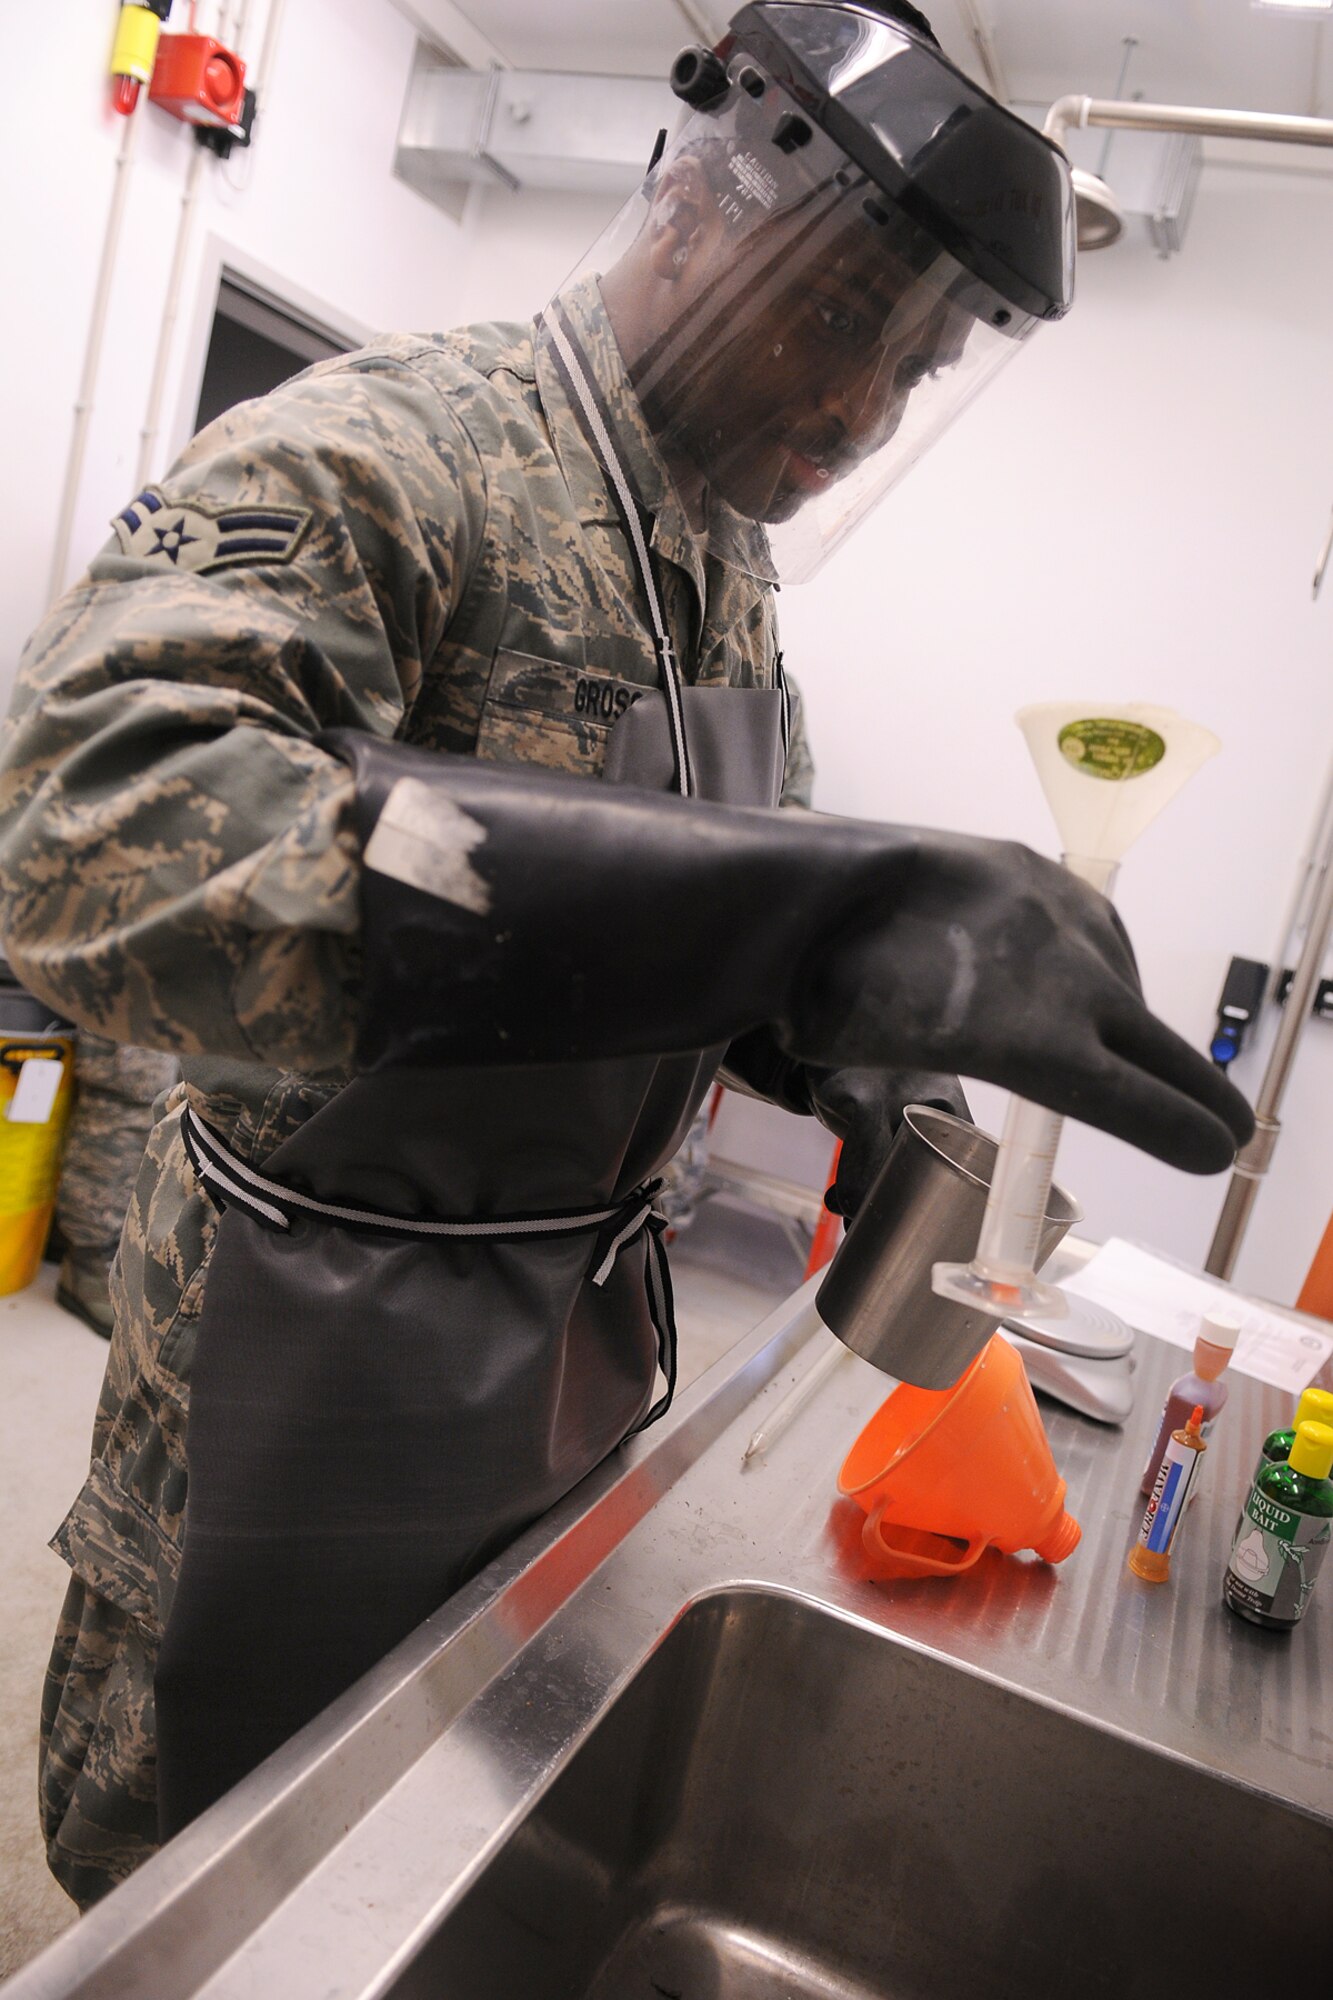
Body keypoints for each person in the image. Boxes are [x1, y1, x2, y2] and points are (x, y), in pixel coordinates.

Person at [0, 0, 1251, 1907]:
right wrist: (796, 910)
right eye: (842, 322)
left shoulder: (721, 572)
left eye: (908, 374)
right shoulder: (393, 447)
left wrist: (840, 1039)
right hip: (286, 1361)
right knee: (194, 1882)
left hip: (558, 1354)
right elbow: (86, 826)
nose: (852, 414)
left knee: (409, 1855)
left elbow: (720, 926)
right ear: (690, 211)